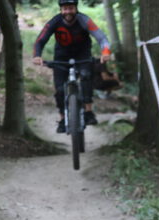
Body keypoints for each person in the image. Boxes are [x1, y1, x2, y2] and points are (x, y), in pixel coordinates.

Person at [32, 0, 112, 133]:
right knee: (59, 90)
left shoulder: (84, 20)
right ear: (61, 10)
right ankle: (63, 119)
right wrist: (37, 55)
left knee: (86, 76)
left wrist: (105, 52)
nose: (68, 12)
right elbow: (40, 40)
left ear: (76, 8)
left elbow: (102, 38)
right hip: (61, 56)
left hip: (83, 55)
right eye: (65, 9)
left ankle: (88, 112)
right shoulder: (54, 22)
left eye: (70, 8)